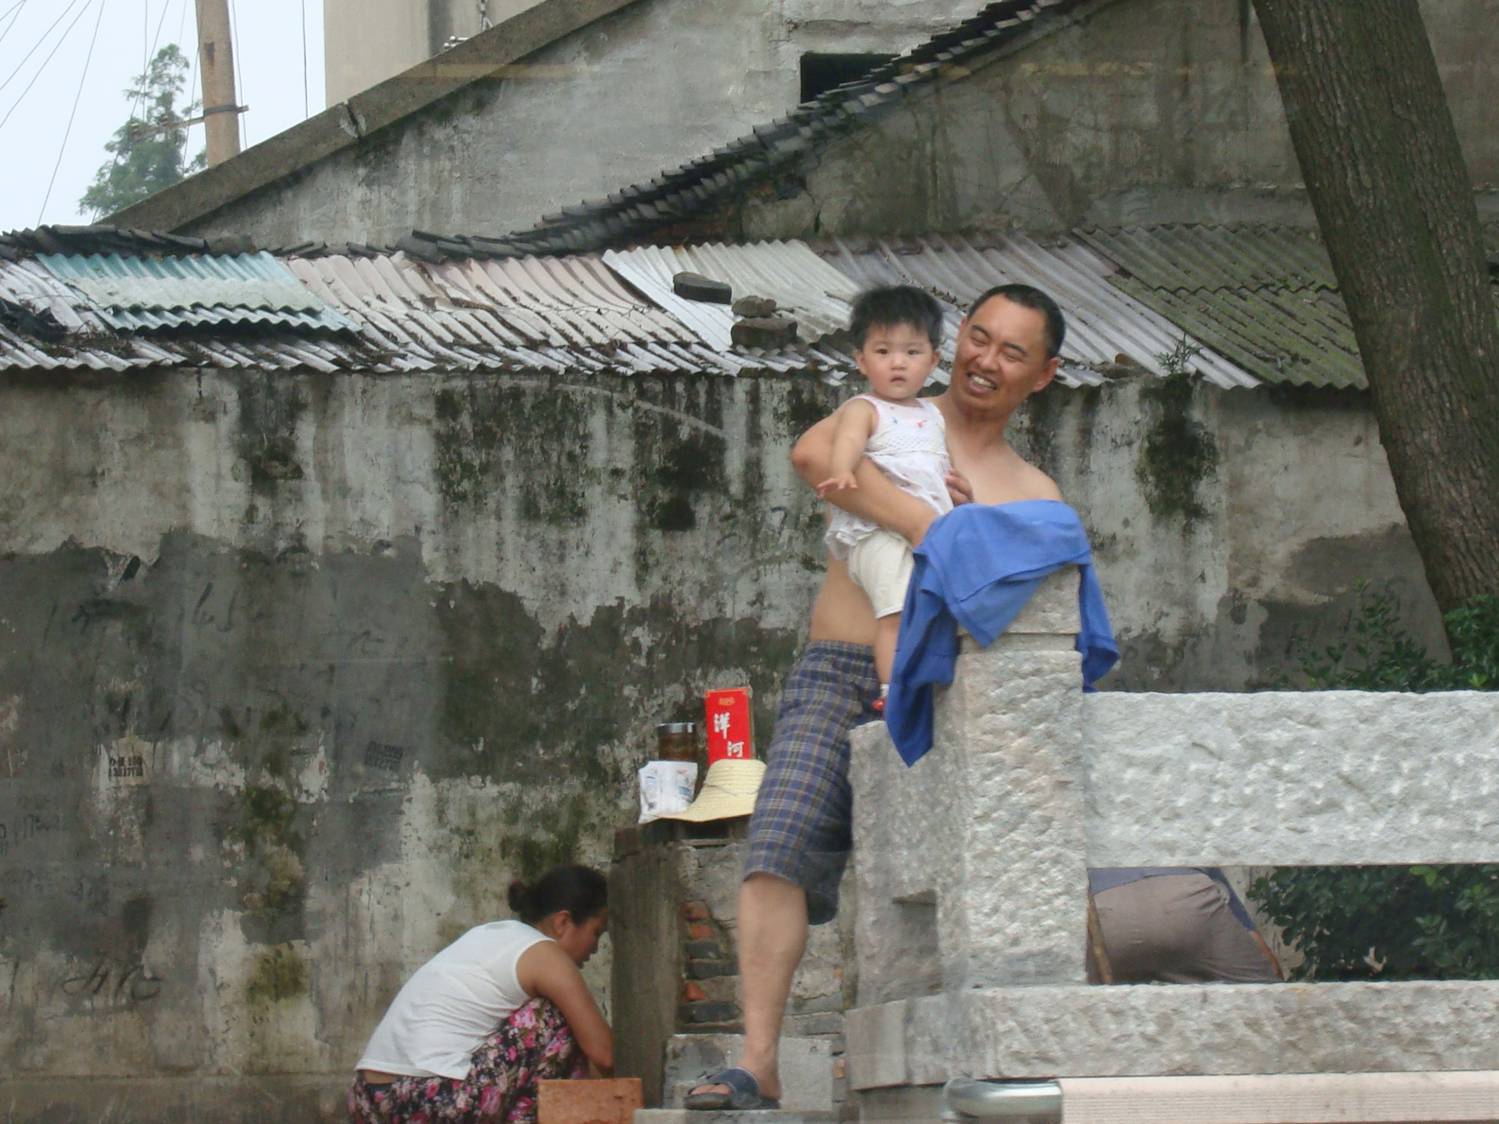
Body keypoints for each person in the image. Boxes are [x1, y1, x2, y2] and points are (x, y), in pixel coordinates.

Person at [687, 283, 1068, 1112]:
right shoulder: (890, 409)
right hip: (840, 663)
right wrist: (926, 520)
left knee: (949, 882)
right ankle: (757, 1059)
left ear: (1042, 374)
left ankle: (965, 1057)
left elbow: (1014, 599)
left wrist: (943, 526)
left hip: (944, 687)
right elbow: (812, 461)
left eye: (1011, 350)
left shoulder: (1033, 492)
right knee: (776, 844)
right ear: (948, 342)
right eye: (977, 336)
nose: (985, 359)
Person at [349, 864, 612, 1124]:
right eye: (596, 933)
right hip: (431, 1097)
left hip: (368, 1098)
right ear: (563, 922)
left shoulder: (490, 936)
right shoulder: (545, 953)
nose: (596, 948)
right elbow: (604, 1053)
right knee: (558, 1017)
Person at [814, 285, 952, 699]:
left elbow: (935, 468)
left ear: (933, 360)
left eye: (911, 352)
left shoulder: (933, 415)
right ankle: (893, 688)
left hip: (922, 533)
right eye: (883, 351)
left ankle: (924, 679)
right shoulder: (864, 408)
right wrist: (841, 470)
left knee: (927, 608)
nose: (897, 363)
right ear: (861, 360)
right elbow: (848, 441)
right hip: (876, 533)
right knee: (895, 611)